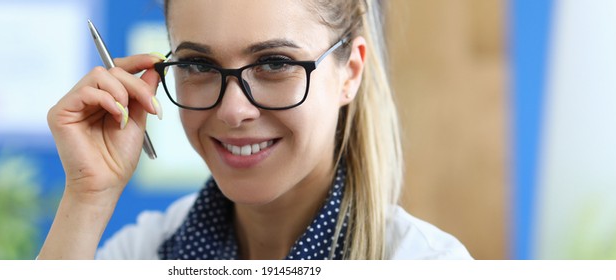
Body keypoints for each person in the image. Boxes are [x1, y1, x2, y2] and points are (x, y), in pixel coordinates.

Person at [38, 0, 472, 260]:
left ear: (350, 73)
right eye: (198, 65)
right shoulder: (145, 252)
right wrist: (87, 197)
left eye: (275, 64)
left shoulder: (425, 262)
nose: (232, 111)